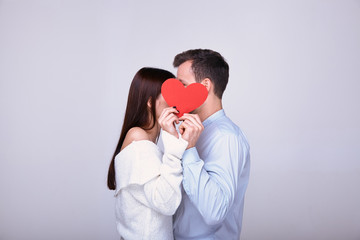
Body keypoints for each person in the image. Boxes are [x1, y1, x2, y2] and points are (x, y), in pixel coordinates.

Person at [171, 49, 251, 239]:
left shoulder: (226, 137)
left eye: (182, 85)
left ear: (205, 85)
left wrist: (190, 149)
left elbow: (215, 212)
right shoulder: (190, 130)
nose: (176, 94)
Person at [107, 67, 188, 239]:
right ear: (150, 102)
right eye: (170, 92)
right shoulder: (139, 139)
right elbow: (167, 203)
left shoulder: (144, 141)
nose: (177, 99)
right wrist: (174, 147)